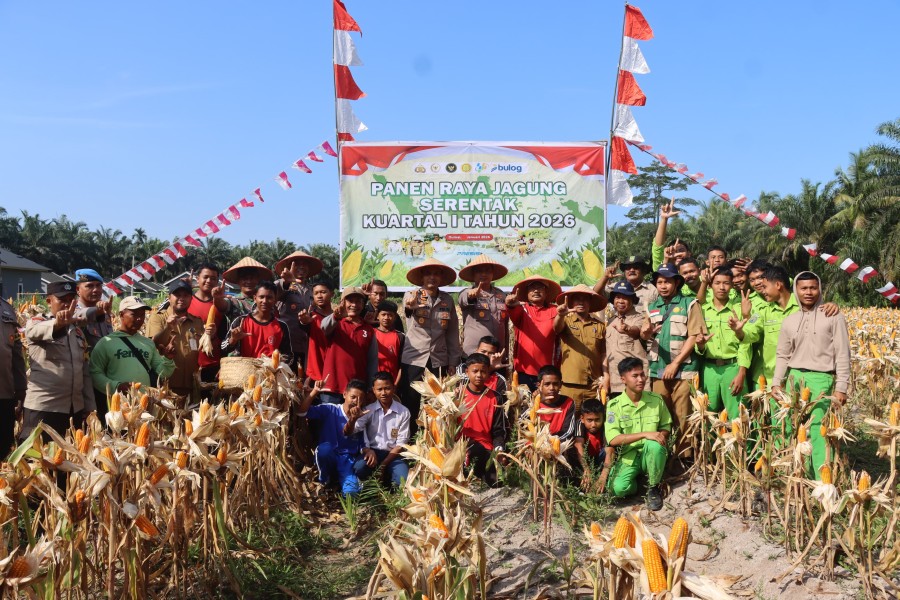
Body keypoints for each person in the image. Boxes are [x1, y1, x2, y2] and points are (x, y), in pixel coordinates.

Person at [772, 271, 851, 479]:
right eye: (804, 288)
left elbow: (843, 353)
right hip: (794, 379)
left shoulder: (833, 316)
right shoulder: (789, 321)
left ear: (820, 289)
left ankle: (821, 480)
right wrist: (776, 383)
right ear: (796, 290)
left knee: (819, 429)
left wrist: (841, 387)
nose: (808, 292)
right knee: (791, 427)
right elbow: (782, 355)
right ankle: (794, 477)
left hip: (822, 379)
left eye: (813, 288)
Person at [641, 264, 707, 461]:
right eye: (659, 282)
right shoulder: (651, 307)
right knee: (660, 417)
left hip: (684, 370)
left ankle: (683, 459)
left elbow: (694, 336)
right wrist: (646, 332)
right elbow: (645, 334)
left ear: (677, 282)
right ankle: (663, 458)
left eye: (667, 282)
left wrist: (675, 364)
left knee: (683, 417)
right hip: (657, 370)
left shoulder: (690, 303)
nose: (663, 286)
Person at [20, 281, 92, 442]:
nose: (67, 304)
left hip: (74, 410)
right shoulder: (37, 322)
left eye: (70, 300)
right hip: (44, 407)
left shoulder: (77, 332)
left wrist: (90, 407)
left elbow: (84, 372)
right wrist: (58, 324)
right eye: (62, 300)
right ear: (49, 301)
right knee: (38, 456)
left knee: (70, 456)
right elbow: (34, 332)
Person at [400, 259, 462, 431]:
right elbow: (408, 309)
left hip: (438, 358)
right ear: (422, 277)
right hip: (414, 358)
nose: (432, 277)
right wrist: (410, 307)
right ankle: (410, 437)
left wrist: (453, 361)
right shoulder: (411, 295)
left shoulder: (447, 300)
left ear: (441, 278)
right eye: (428, 273)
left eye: (436, 274)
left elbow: (452, 332)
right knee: (411, 401)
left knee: (436, 403)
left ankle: (433, 439)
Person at [606, 357, 672, 511]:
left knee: (654, 445)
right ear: (623, 379)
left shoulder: (656, 400)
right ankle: (639, 484)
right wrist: (645, 434)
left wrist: (659, 436)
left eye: (642, 374)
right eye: (635, 376)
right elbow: (613, 439)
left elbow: (666, 426)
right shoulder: (614, 405)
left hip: (652, 453)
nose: (641, 379)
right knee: (617, 489)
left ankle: (653, 487)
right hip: (628, 457)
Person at [91, 296, 176, 396]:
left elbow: (162, 374)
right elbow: (94, 373)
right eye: (134, 314)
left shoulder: (148, 343)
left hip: (145, 402)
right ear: (121, 315)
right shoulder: (106, 342)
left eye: (142, 314)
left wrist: (168, 359)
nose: (139, 318)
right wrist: (116, 386)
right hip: (119, 403)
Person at [695, 268, 750, 419]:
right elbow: (697, 342)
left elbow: (746, 343)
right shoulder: (702, 310)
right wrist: (700, 345)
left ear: (732, 285)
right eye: (717, 283)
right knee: (707, 416)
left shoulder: (739, 309)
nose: (722, 287)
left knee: (738, 416)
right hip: (709, 369)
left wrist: (741, 372)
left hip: (733, 367)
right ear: (710, 285)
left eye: (726, 283)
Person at [298, 378, 364, 496]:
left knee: (352, 494)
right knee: (324, 450)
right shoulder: (330, 409)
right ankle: (325, 479)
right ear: (344, 394)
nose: (356, 401)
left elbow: (363, 442)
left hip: (347, 459)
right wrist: (315, 391)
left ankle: (344, 484)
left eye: (360, 399)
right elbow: (302, 412)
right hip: (329, 454)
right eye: (353, 397)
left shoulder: (363, 417)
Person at [146, 279, 208, 399]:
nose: (181, 298)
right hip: (166, 386)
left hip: (191, 386)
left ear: (191, 299)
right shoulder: (158, 318)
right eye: (177, 295)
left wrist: (210, 335)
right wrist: (168, 328)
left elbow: (204, 348)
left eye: (185, 295)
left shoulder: (197, 321)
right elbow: (154, 343)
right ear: (169, 298)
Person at [347, 372, 410, 489]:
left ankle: (391, 490)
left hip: (393, 454)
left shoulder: (403, 412)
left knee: (403, 478)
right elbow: (352, 431)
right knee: (359, 467)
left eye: (387, 388)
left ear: (394, 388)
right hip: (372, 452)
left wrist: (383, 465)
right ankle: (369, 488)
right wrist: (353, 419)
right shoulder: (368, 410)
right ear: (374, 390)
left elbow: (401, 444)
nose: (383, 393)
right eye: (379, 389)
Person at [318, 287, 377, 404]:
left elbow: (372, 361)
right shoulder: (336, 323)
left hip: (356, 389)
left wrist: (371, 387)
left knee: (354, 416)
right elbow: (324, 327)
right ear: (342, 302)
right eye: (350, 301)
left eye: (358, 301)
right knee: (330, 416)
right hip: (332, 386)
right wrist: (336, 317)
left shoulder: (368, 329)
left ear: (363, 305)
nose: (354, 305)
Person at [553, 284, 607, 411]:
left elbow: (604, 354)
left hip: (593, 386)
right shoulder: (566, 321)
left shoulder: (600, 326)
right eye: (577, 299)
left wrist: (606, 377)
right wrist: (560, 315)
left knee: (593, 419)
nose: (581, 302)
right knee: (569, 418)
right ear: (571, 302)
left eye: (585, 299)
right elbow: (556, 328)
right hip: (570, 385)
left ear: (590, 303)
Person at [457, 353, 508, 486]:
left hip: (486, 448)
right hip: (460, 447)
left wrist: (499, 450)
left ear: (488, 373)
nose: (479, 375)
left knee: (497, 482)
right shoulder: (458, 395)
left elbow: (498, 429)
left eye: (483, 371)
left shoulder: (495, 398)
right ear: (467, 372)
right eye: (475, 371)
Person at [506, 275, 561, 391]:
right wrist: (510, 305)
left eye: (540, 287)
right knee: (524, 402)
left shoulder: (555, 310)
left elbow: (560, 328)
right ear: (527, 292)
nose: (536, 290)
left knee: (545, 402)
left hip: (547, 372)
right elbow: (512, 310)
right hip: (523, 370)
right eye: (532, 288)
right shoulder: (522, 308)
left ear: (546, 292)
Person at [72, 268, 114, 419]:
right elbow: (80, 318)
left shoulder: (105, 312)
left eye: (98, 285)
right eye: (89, 286)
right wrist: (97, 311)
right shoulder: (73, 311)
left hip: (106, 378)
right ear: (78, 290)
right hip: (85, 381)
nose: (95, 290)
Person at [274, 250, 323, 368]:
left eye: (304, 264)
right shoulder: (283, 285)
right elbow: (272, 292)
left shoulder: (313, 290)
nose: (301, 267)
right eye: (297, 264)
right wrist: (286, 282)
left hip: (308, 345)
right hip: (287, 347)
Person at [185, 263, 231, 387]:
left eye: (213, 278)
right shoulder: (186, 301)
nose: (209, 281)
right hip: (189, 364)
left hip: (213, 365)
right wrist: (184, 287)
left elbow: (226, 337)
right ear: (197, 279)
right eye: (205, 277)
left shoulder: (222, 305)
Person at [223, 281, 293, 363]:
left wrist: (278, 362)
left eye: (269, 297)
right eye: (261, 297)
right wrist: (233, 340)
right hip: (245, 368)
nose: (265, 301)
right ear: (255, 298)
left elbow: (288, 355)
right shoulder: (241, 321)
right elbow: (223, 348)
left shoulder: (282, 326)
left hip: (270, 370)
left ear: (275, 300)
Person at [457, 254, 508, 357]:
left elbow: (505, 325)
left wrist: (505, 352)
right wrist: (471, 295)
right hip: (474, 354)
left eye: (488, 271)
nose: (484, 274)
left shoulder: (501, 295)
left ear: (492, 274)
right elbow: (463, 299)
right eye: (479, 271)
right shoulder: (466, 292)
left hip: (497, 354)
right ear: (473, 274)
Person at [604, 281, 648, 398]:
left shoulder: (640, 318)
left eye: (625, 298)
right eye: (618, 297)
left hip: (635, 383)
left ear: (632, 300)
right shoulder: (610, 321)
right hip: (615, 382)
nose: (620, 301)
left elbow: (637, 331)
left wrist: (627, 329)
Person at [0, 290, 25, 455]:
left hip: (4, 394)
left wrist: (21, 387)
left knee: (4, 450)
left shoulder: (6, 308)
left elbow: (16, 351)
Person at [574, 398, 614, 493]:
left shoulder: (606, 426)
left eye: (597, 420)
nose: (594, 424)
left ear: (603, 417)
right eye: (590, 420)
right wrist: (586, 469)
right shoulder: (579, 424)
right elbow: (579, 445)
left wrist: (603, 476)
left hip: (601, 458)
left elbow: (610, 451)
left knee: (609, 451)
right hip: (585, 459)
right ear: (582, 419)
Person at [593, 255, 658, 309]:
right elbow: (595, 294)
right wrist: (605, 277)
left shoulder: (653, 290)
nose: (631, 270)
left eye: (636, 267)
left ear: (644, 271)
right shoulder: (617, 287)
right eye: (628, 268)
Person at [534, 365, 578, 442]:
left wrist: (549, 442)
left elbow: (568, 432)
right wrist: (533, 404)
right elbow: (523, 425)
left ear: (561, 384)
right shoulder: (533, 402)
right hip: (535, 444)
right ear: (539, 385)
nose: (551, 388)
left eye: (555, 384)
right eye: (547, 384)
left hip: (558, 445)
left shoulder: (568, 403)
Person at [302, 282, 334, 382]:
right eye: (316, 293)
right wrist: (304, 322)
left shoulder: (339, 318)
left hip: (334, 369)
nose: (319, 296)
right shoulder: (310, 317)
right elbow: (303, 326)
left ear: (332, 294)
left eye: (323, 292)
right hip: (314, 373)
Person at [652, 200, 692, 270]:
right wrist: (664, 219)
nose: (677, 254)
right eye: (673, 252)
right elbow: (657, 248)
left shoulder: (696, 273)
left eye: (681, 250)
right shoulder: (660, 269)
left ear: (689, 254)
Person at [373, 301, 405, 386]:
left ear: (395, 317)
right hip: (373, 382)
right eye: (383, 314)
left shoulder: (400, 336)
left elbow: (402, 365)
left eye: (390, 315)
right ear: (377, 316)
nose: (386, 318)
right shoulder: (371, 334)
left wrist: (396, 384)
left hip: (392, 382)